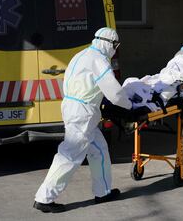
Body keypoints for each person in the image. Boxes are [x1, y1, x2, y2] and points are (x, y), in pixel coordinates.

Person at [33, 27, 132, 213]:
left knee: (99, 151)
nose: (115, 49)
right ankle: (44, 198)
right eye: (115, 45)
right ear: (107, 42)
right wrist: (130, 107)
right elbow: (115, 92)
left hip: (76, 109)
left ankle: (103, 192)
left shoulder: (82, 54)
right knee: (69, 155)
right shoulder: (98, 60)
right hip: (83, 113)